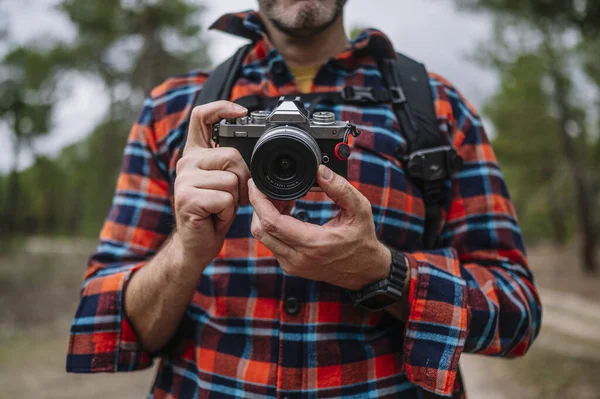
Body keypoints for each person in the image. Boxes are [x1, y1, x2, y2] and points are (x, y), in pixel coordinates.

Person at [66, 1, 542, 398]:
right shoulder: (175, 109)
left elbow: (517, 313)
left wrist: (384, 272)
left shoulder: (435, 109)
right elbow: (103, 324)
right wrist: (186, 252)